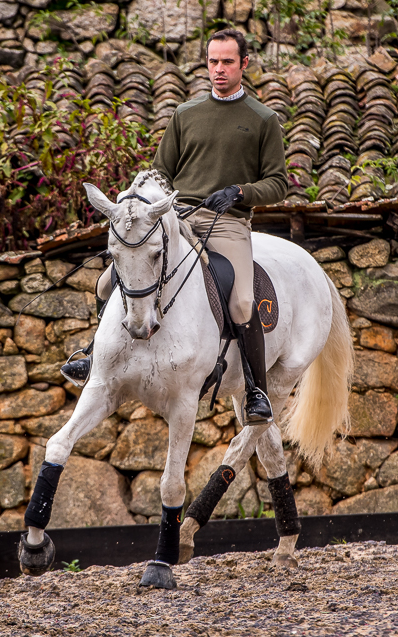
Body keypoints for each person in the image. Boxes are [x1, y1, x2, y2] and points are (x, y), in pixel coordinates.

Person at [62, 28, 288, 424]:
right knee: (104, 283)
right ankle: (91, 356)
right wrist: (145, 206)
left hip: (227, 222)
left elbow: (278, 183)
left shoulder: (263, 120)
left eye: (228, 62)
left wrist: (239, 192)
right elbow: (159, 173)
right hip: (177, 215)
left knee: (241, 302)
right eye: (213, 61)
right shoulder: (185, 114)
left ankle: (256, 393)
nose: (219, 70)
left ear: (244, 64)